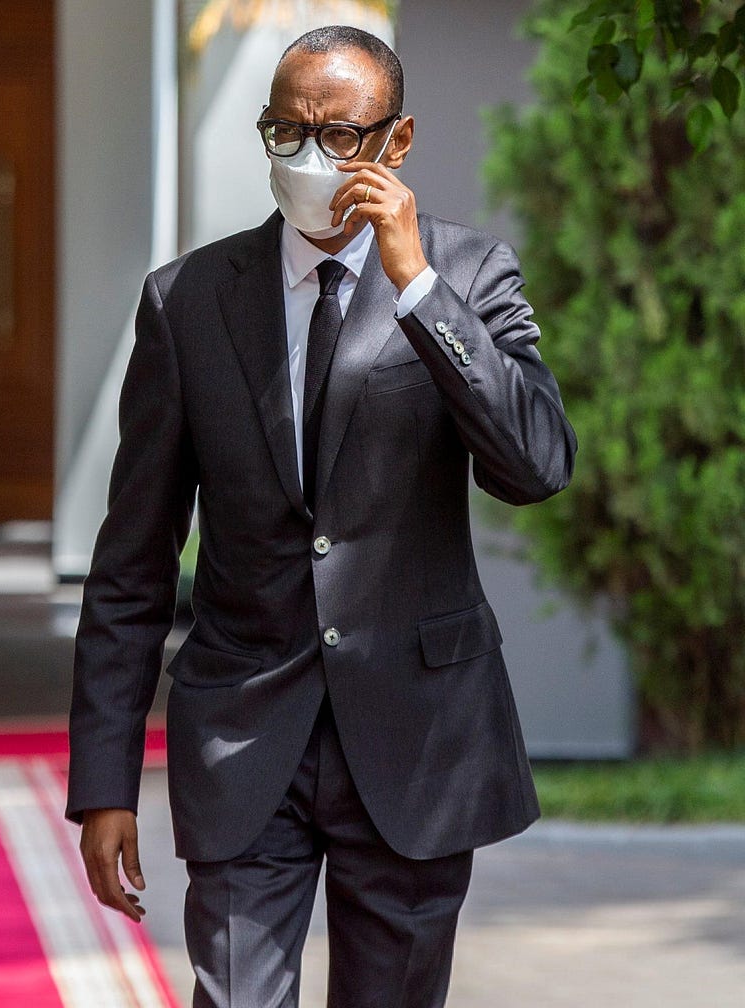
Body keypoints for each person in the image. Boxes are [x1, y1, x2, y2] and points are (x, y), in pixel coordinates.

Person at [68, 25, 575, 1008]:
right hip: (243, 732)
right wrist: (104, 780)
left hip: (416, 740)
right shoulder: (188, 299)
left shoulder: (468, 277)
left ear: (396, 142)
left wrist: (416, 283)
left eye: (339, 136)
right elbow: (131, 559)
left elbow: (533, 465)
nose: (308, 158)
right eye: (283, 131)